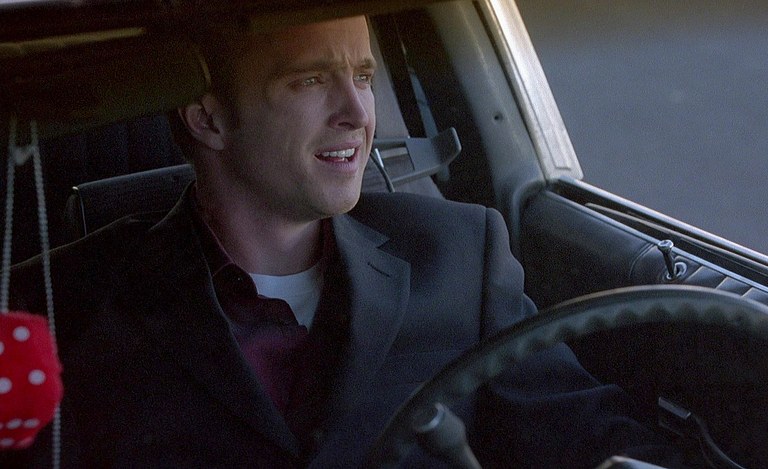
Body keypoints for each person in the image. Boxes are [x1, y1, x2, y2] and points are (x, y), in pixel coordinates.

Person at [3, 15, 683, 468]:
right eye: (309, 80)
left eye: (362, 75)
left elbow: (585, 435)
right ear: (207, 116)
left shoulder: (457, 254)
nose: (358, 113)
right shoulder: (60, 306)